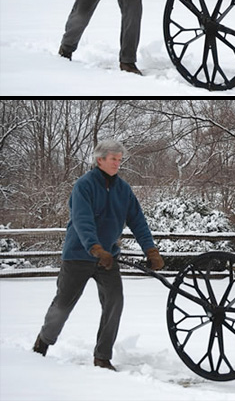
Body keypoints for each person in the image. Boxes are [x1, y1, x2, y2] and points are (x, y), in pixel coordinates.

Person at [33, 138, 164, 371]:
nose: (117, 164)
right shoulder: (84, 186)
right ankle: (43, 342)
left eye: (119, 160)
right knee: (63, 304)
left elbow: (138, 221)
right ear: (100, 159)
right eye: (113, 159)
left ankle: (102, 357)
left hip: (107, 259)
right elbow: (83, 221)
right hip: (78, 255)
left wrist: (150, 250)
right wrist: (95, 248)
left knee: (114, 302)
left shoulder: (123, 190)